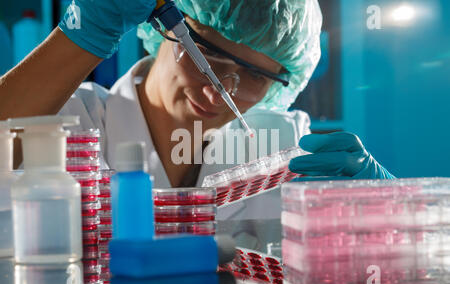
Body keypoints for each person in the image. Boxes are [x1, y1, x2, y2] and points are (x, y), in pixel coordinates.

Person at [0, 0, 393, 251]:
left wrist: (388, 204)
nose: (220, 91)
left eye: (254, 75)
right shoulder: (68, 119)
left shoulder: (281, 144)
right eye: (205, 51)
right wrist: (80, 36)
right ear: (165, 26)